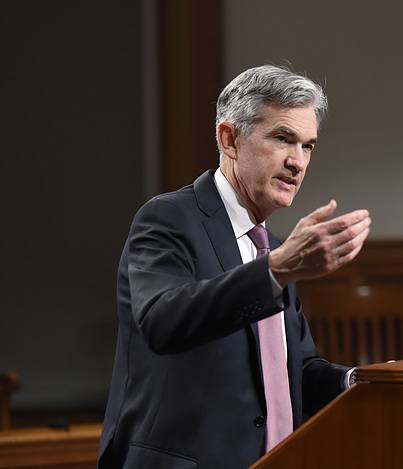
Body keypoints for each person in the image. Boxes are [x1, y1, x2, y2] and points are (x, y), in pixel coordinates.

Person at [98, 65, 371, 468]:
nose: (298, 162)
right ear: (229, 139)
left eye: (308, 146)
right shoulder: (169, 218)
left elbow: (295, 370)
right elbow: (162, 320)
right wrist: (276, 270)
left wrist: (359, 382)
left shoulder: (273, 248)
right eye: (283, 138)